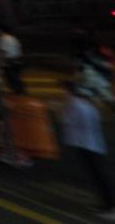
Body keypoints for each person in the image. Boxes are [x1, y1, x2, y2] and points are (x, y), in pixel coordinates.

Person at [60, 79, 115, 217]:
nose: (62, 94)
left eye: (64, 91)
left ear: (69, 91)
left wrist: (63, 108)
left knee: (99, 176)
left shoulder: (75, 105)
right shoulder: (86, 105)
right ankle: (106, 204)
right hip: (93, 145)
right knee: (99, 175)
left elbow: (66, 121)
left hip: (87, 145)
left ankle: (109, 206)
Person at [0, 24, 25, 95]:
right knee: (15, 77)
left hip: (10, 61)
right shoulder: (12, 38)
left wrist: (1, 63)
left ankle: (18, 92)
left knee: (10, 78)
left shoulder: (3, 38)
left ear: (0, 30)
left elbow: (3, 52)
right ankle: (20, 91)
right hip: (18, 60)